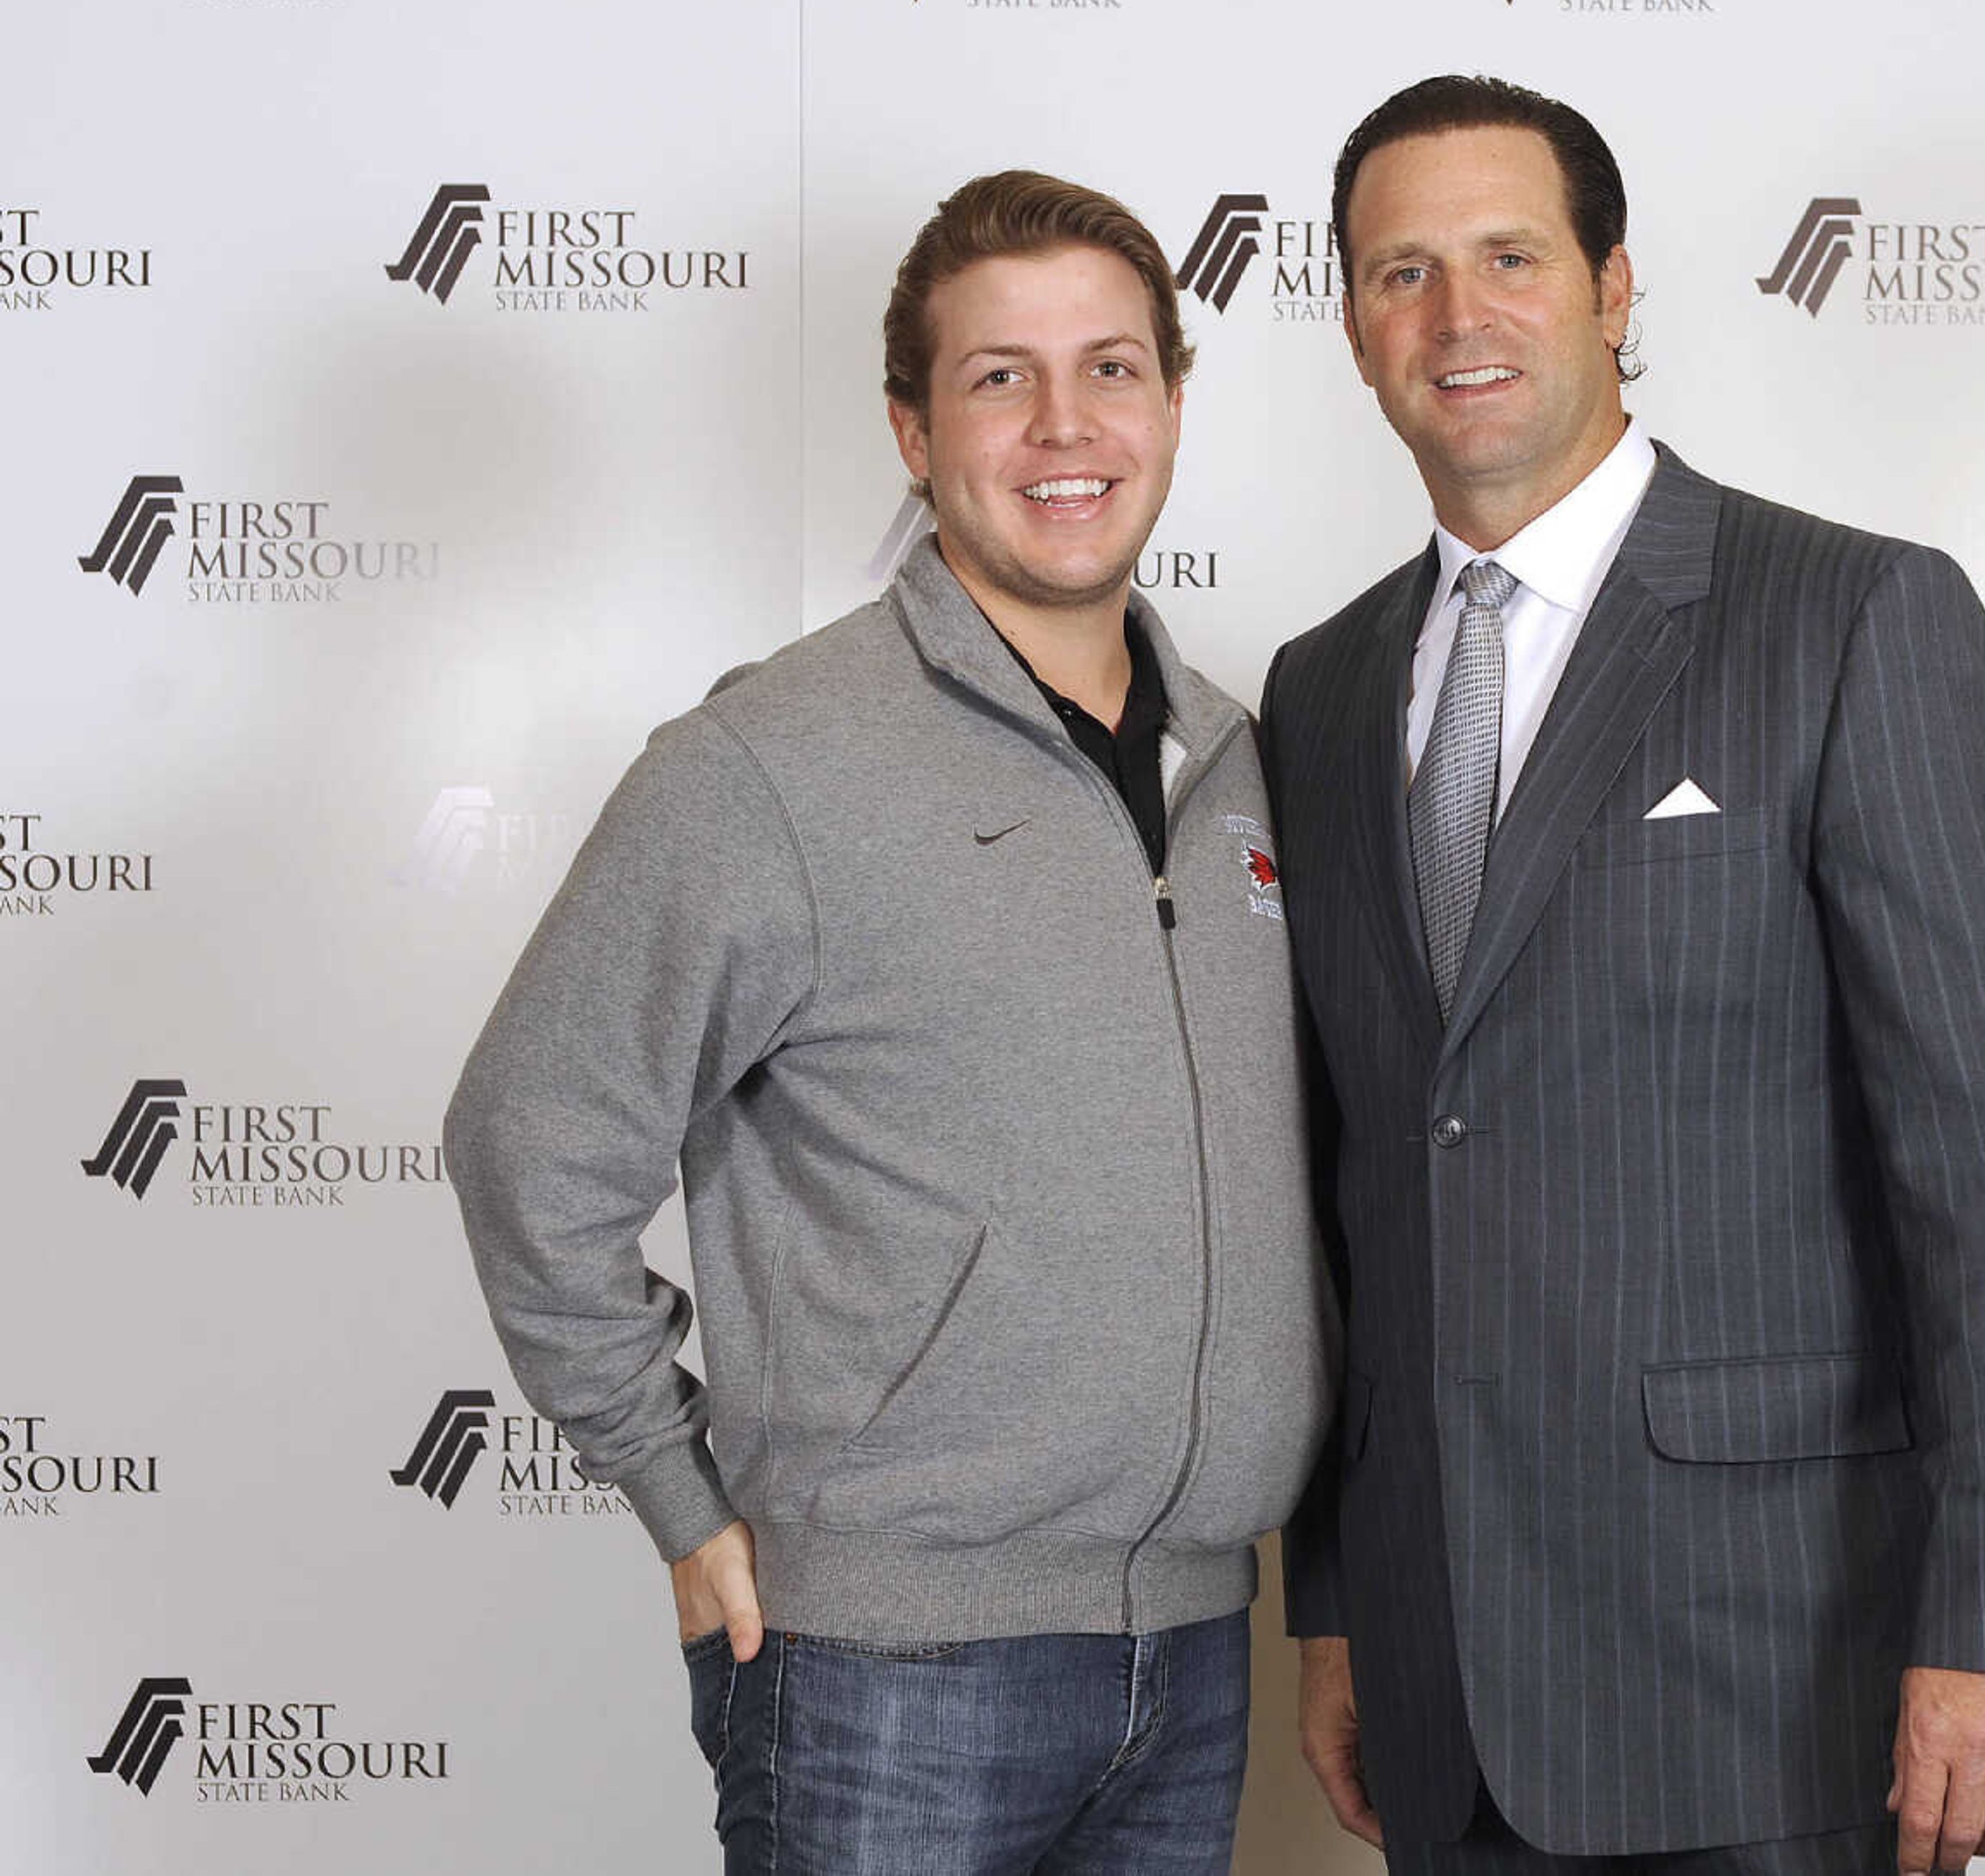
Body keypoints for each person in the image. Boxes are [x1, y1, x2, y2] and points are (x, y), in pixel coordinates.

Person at [1260, 77, 1985, 1876]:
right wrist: (1337, 1597)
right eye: (1400, 271)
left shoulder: (1852, 618)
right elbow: (1344, 1194)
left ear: (1615, 289)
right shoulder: (1321, 692)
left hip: (1772, 1678)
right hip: (1444, 1691)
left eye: (1510, 255)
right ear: (1351, 324)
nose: (1457, 314)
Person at [443, 169, 1331, 1876]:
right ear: (915, 434)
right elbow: (526, 1142)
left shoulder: (1237, 762)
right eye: (1000, 376)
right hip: (890, 1674)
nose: (1067, 422)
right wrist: (679, 1495)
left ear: (1169, 401)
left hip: (1203, 1646)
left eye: (1114, 367)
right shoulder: (768, 766)